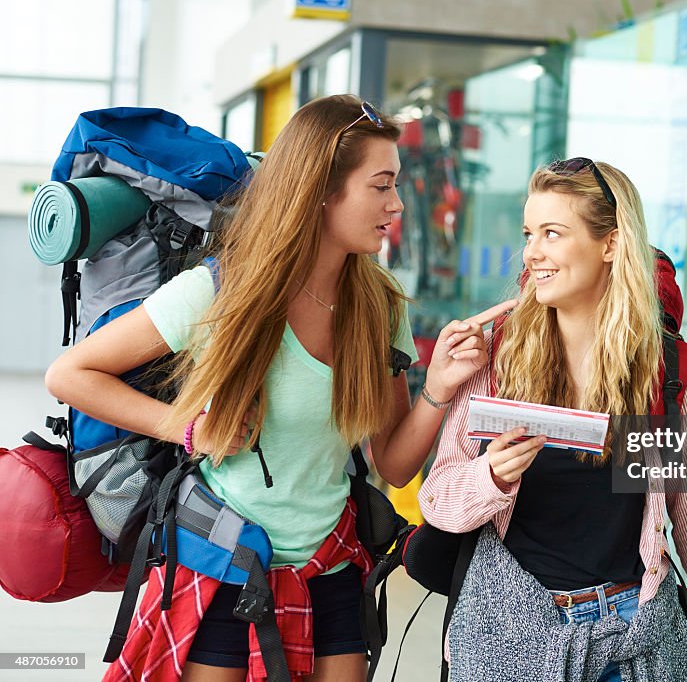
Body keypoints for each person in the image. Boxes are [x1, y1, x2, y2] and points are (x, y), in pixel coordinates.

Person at [45, 94, 513, 682]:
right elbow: (70, 375)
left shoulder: (379, 304)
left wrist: (438, 390)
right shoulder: (221, 293)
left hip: (333, 567)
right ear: (320, 189)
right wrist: (188, 426)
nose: (397, 205)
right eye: (381, 185)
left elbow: (393, 466)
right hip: (221, 562)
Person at [418, 158, 687, 682]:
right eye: (530, 233)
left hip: (639, 645)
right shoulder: (498, 356)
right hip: (511, 640)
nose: (533, 252)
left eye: (553, 233)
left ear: (611, 244)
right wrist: (492, 478)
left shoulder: (664, 372)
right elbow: (437, 501)